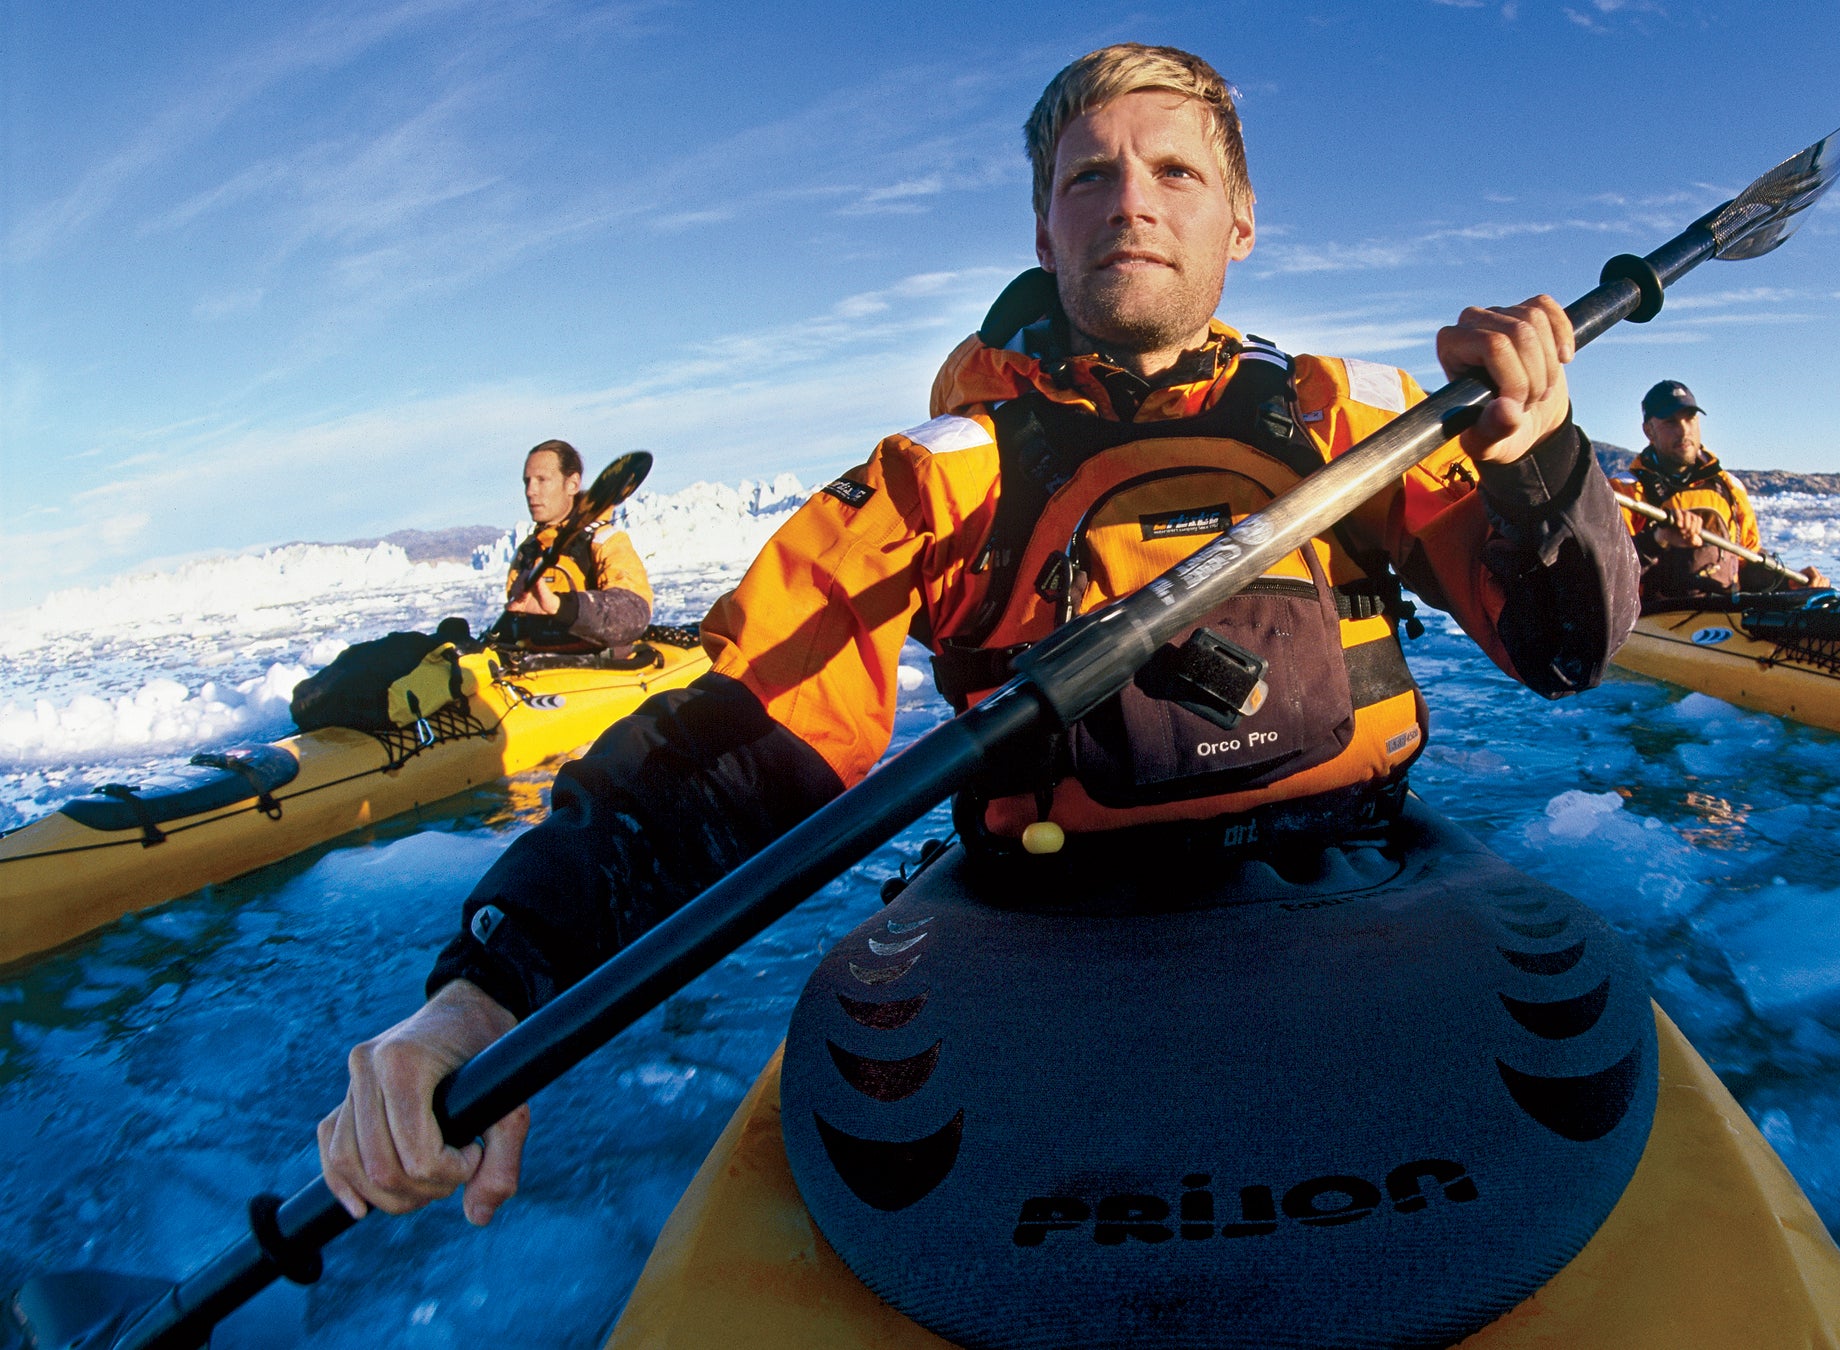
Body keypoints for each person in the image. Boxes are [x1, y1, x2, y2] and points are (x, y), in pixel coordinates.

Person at [315, 44, 1639, 1227]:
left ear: (1241, 216)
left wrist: (1541, 461)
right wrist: (488, 987)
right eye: (1087, 178)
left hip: (1372, 894)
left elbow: (1567, 650)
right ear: (1045, 227)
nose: (1130, 198)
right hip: (1052, 935)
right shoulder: (945, 475)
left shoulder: (1369, 420)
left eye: (1175, 170)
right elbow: (743, 729)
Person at [1615, 380, 1827, 603]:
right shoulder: (1625, 491)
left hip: (1724, 618)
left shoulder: (1730, 487)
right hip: (1656, 623)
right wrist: (1659, 539)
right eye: (1670, 422)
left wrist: (1789, 582)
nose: (1684, 431)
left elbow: (1746, 561)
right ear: (1649, 430)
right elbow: (1609, 573)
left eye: (1690, 418)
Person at [497, 439, 656, 651]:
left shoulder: (604, 540)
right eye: (527, 481)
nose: (530, 491)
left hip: (596, 671)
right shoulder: (529, 551)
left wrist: (558, 606)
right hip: (537, 669)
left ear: (572, 484)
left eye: (542, 480)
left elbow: (633, 613)